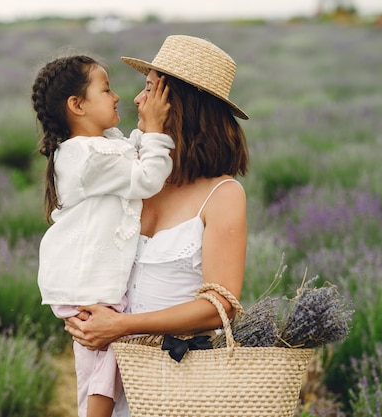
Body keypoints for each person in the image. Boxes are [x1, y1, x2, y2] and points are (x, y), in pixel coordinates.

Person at [64, 35, 250, 416]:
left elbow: (220, 307)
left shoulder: (223, 194)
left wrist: (123, 326)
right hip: (114, 378)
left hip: (177, 385)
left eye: (150, 88)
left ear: (180, 104)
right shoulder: (136, 174)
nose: (136, 99)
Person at [31, 54, 175, 417]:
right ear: (76, 105)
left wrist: (148, 126)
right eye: (106, 89)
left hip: (90, 281)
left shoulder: (100, 145)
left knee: (104, 368)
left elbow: (129, 151)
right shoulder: (88, 156)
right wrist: (156, 127)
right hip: (88, 284)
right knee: (101, 370)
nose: (117, 98)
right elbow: (144, 177)